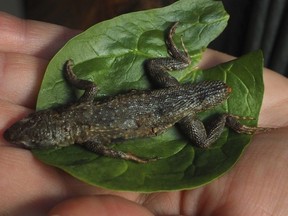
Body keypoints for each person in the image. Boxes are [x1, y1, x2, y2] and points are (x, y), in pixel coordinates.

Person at [0, 12, 287, 216]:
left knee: (203, 141)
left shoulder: (89, 139)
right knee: (154, 67)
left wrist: (132, 157)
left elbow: (113, 150)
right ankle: (183, 62)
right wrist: (74, 78)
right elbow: (92, 88)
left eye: (29, 128)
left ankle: (225, 119)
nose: (25, 124)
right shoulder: (83, 111)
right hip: (174, 100)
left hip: (183, 106)